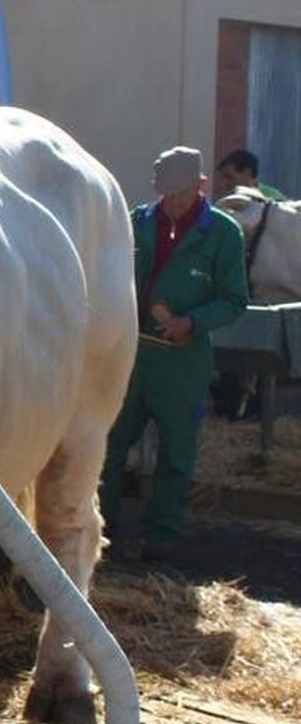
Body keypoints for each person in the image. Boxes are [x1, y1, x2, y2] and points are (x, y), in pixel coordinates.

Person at [99, 145, 249, 561]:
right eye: (166, 194)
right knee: (108, 445)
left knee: (177, 451)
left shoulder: (222, 233)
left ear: (201, 186)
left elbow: (235, 299)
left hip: (183, 361)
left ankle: (161, 534)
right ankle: (100, 532)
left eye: (181, 194)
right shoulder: (136, 223)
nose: (173, 203)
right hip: (130, 355)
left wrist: (193, 322)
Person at [215, 148, 287, 200]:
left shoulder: (274, 199)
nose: (224, 183)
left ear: (247, 173)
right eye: (223, 178)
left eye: (229, 177)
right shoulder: (226, 200)